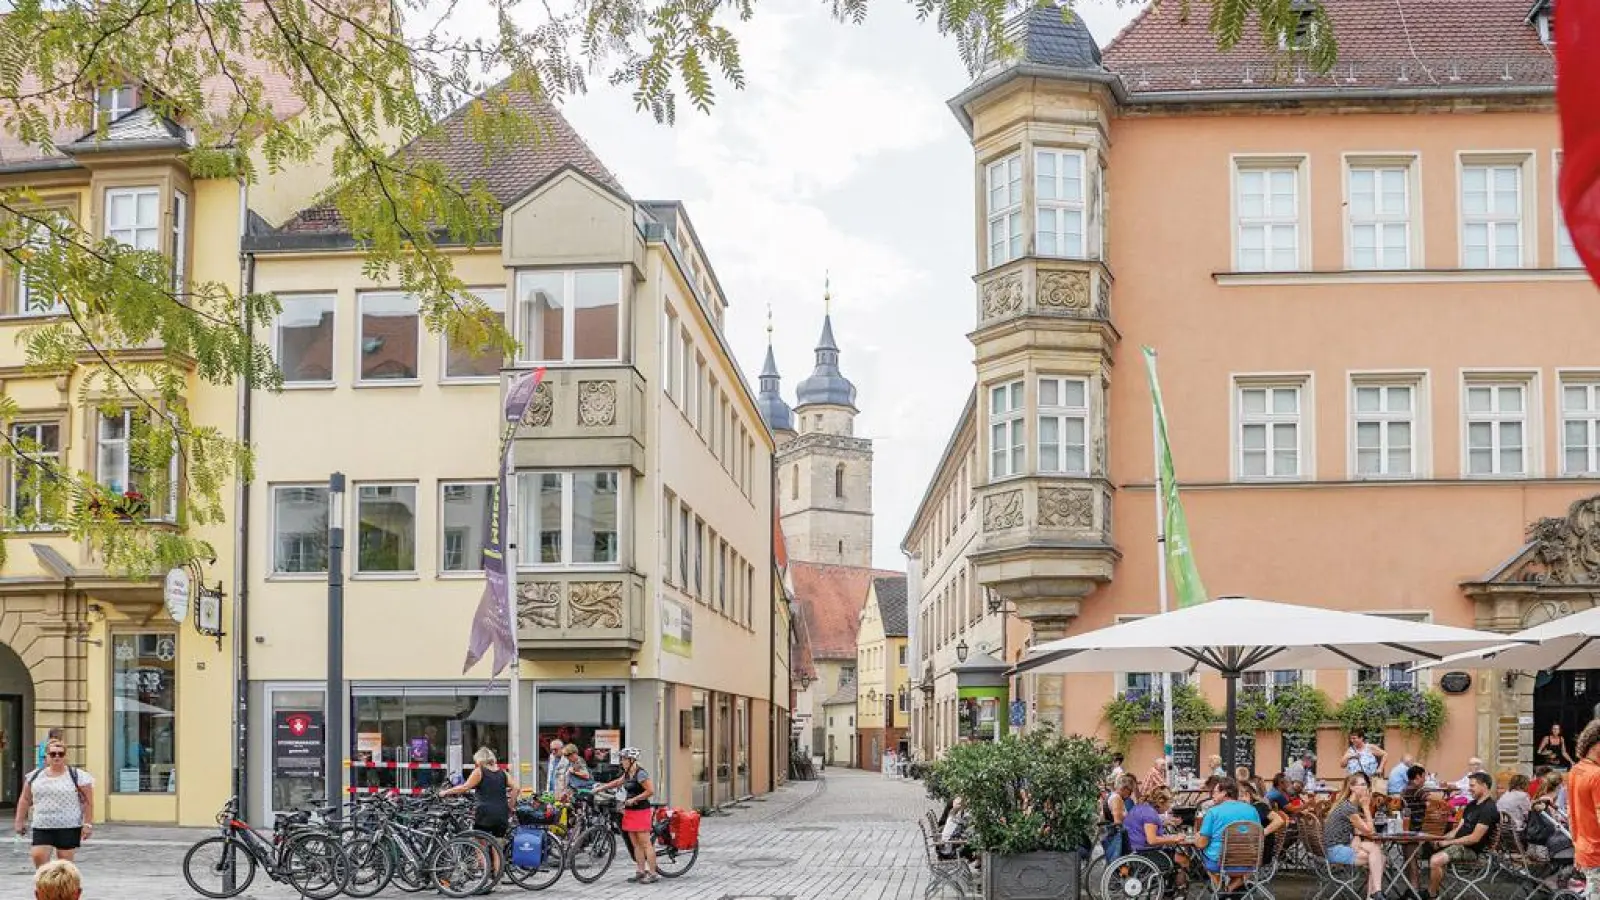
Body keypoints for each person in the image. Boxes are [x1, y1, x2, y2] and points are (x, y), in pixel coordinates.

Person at [12, 739, 93, 870]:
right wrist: (19, 822)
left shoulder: (77, 775)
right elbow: (25, 799)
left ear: (65, 756)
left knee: (64, 865)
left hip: (68, 825)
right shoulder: (35, 776)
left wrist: (87, 824)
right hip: (42, 824)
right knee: (38, 856)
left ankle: (64, 883)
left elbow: (88, 801)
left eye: (60, 754)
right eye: (53, 754)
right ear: (47, 756)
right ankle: (44, 882)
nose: (57, 757)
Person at [1427, 771, 1498, 898]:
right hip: (1460, 845)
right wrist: (1440, 839)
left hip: (1473, 851)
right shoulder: (1471, 805)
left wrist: (1447, 843)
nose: (1469, 789)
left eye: (1472, 786)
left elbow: (1474, 838)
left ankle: (1431, 895)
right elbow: (1457, 830)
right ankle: (1425, 889)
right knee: (1423, 849)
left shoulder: (1489, 808)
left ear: (1484, 786)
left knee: (1436, 860)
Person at [1322, 771, 1384, 900]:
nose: (1365, 788)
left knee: (1376, 851)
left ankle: (1374, 894)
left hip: (1338, 846)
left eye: (1366, 785)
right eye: (1362, 784)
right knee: (1379, 858)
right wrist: (1366, 807)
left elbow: (1356, 829)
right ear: (1352, 787)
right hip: (1335, 851)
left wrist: (1355, 836)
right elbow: (1370, 831)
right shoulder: (1349, 808)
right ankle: (1375, 893)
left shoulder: (1347, 804)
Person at [600, 747, 659, 883]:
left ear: (632, 760)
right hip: (630, 811)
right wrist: (600, 788)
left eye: (624, 759)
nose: (622, 762)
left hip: (641, 811)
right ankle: (640, 871)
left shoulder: (641, 774)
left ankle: (653, 873)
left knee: (645, 843)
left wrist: (635, 799)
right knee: (636, 844)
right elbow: (617, 782)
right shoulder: (627, 774)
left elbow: (650, 791)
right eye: (621, 759)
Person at [1124, 786, 1193, 891]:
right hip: (1144, 852)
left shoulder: (1143, 807)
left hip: (1135, 847)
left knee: (1176, 854)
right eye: (1169, 803)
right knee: (1184, 860)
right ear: (1161, 802)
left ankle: (1172, 888)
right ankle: (1178, 890)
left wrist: (1166, 828)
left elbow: (1145, 828)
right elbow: (1152, 840)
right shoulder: (1150, 814)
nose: (1170, 807)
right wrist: (1174, 839)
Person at [440, 747, 517, 837]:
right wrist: (510, 806)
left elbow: (465, 787)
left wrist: (445, 792)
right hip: (502, 813)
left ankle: (481, 847)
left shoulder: (479, 772)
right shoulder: (503, 773)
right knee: (497, 842)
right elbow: (516, 788)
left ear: (480, 759)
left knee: (479, 841)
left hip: (485, 814)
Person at [1193, 778, 1258, 880]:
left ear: (1224, 793)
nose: (1212, 795)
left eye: (1215, 792)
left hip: (1219, 863)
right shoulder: (1252, 810)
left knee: (1201, 854)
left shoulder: (1213, 812)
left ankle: (1219, 886)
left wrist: (1196, 837)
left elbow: (1202, 844)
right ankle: (1231, 886)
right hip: (1249, 861)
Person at [1568, 719, 1600, 899]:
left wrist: (1577, 848)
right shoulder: (1597, 775)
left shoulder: (1576, 770)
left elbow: (1572, 814)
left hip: (1584, 849)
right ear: (1596, 745)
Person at [1101, 773, 1138, 860]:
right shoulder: (1116, 798)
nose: (1130, 794)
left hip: (1113, 832)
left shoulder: (1111, 796)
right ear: (1125, 788)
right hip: (1119, 836)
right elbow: (1117, 822)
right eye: (1130, 791)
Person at [1399, 765, 1429, 831]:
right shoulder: (1421, 792)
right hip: (1420, 828)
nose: (1425, 780)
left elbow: (1406, 812)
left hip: (1408, 827)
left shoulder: (1403, 791)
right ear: (1418, 777)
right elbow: (1430, 806)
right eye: (1423, 777)